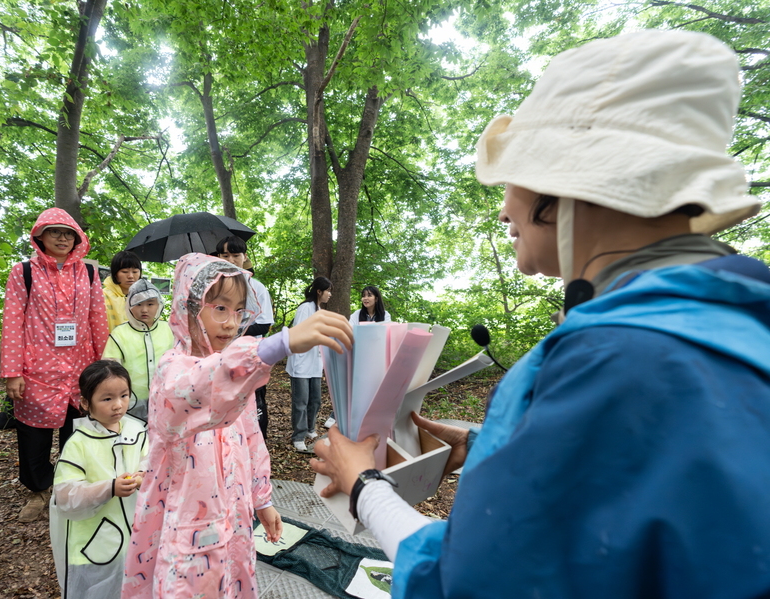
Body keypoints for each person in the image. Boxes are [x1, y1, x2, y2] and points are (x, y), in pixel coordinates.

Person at [312, 30, 770, 599]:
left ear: (569, 186)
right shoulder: (731, 323)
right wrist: (494, 444)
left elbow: (470, 583)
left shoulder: (617, 359)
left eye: (515, 175)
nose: (505, 206)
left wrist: (363, 487)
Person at [122, 253, 352, 599]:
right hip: (186, 524)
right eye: (219, 308)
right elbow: (194, 391)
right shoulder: (174, 370)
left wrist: (263, 500)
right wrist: (274, 346)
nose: (231, 323)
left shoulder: (237, 381)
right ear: (189, 306)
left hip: (234, 518)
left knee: (232, 581)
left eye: (239, 310)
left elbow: (251, 442)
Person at [1, 208, 109, 523]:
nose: (62, 238)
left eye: (68, 233)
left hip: (80, 369)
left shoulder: (88, 273)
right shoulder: (24, 272)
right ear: (40, 236)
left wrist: (104, 369)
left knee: (76, 433)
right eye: (55, 232)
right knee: (34, 435)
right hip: (37, 370)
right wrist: (12, 372)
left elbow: (98, 321)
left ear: (77, 238)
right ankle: (39, 490)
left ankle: (71, 486)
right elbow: (12, 322)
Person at [50, 360, 147, 599]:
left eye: (124, 395)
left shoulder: (137, 430)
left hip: (139, 539)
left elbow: (152, 461)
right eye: (107, 399)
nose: (118, 405)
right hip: (96, 543)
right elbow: (64, 495)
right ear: (85, 403)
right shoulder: (79, 443)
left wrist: (145, 476)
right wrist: (109, 488)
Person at [216, 235, 274, 439]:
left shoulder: (256, 288)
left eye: (235, 255)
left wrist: (234, 331)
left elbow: (265, 324)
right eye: (225, 255)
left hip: (250, 357)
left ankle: (258, 444)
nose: (230, 260)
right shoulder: (214, 288)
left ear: (244, 257)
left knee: (255, 403)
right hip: (220, 357)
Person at [102, 279, 174, 421]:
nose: (144, 309)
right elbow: (110, 369)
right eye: (138, 304)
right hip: (131, 403)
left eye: (150, 304)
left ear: (159, 305)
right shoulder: (119, 334)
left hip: (166, 399)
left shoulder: (169, 330)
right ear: (129, 306)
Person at [285, 276, 332, 453]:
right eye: (328, 290)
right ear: (319, 291)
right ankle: (298, 435)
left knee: (315, 400)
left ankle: (310, 428)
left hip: (315, 362)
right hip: (301, 362)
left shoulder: (318, 309)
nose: (330, 294)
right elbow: (299, 333)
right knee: (301, 401)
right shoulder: (305, 308)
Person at [103, 251, 142, 331]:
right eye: (125, 272)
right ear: (115, 274)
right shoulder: (102, 296)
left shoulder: (144, 296)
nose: (131, 276)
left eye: (135, 272)